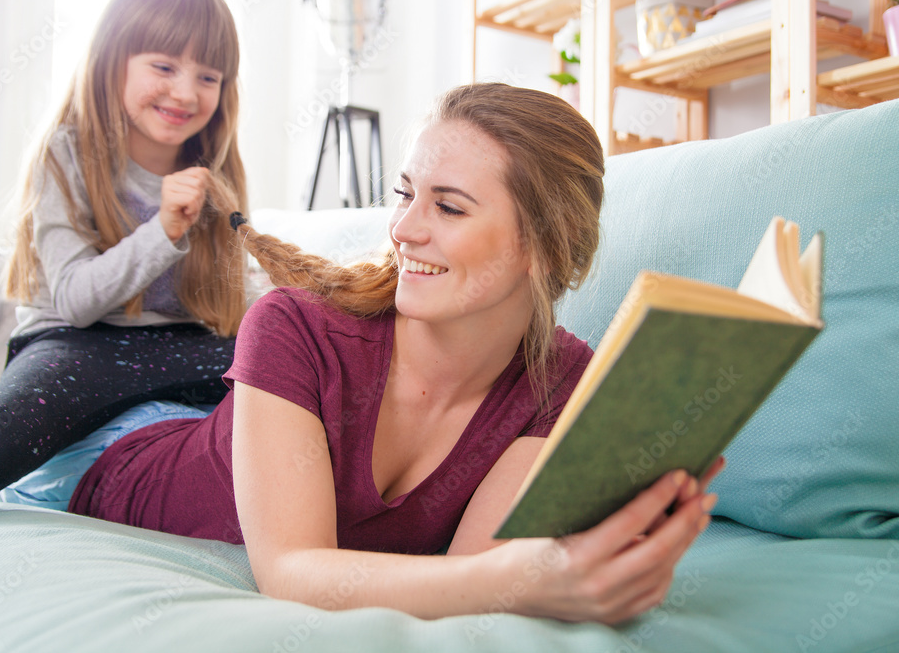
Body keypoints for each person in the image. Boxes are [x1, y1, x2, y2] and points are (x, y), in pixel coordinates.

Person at [68, 82, 722, 623]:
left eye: (449, 207)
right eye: (406, 193)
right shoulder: (292, 326)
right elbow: (291, 571)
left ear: (543, 247)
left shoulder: (564, 383)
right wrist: (525, 578)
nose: (404, 230)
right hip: (108, 459)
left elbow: (477, 582)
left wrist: (612, 549)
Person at [0, 0, 249, 540]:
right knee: (8, 425)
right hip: (74, 341)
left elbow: (228, 301)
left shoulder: (215, 171)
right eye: (163, 66)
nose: (185, 93)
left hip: (178, 347)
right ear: (112, 62)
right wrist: (162, 229)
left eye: (207, 76)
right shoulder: (66, 153)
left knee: (280, 371)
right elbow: (76, 301)